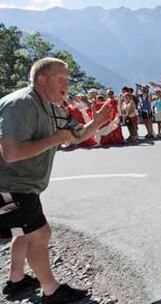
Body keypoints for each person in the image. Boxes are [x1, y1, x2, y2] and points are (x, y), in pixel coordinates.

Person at [0, 57, 112, 303]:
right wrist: (54, 139)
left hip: (24, 187)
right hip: (9, 187)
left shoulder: (52, 107)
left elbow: (75, 135)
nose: (67, 85)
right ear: (42, 79)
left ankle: (15, 280)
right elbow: (10, 153)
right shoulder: (21, 104)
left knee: (24, 232)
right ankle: (51, 291)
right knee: (40, 234)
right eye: (61, 79)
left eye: (68, 79)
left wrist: (98, 122)